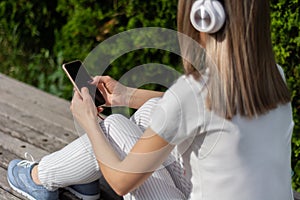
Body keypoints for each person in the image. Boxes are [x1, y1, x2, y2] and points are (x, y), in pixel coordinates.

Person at [7, 0, 294, 200]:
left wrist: (89, 123)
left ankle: (40, 178)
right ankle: (79, 180)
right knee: (151, 111)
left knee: (114, 125)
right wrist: (127, 95)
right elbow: (196, 110)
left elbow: (120, 183)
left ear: (203, 17)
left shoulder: (193, 92)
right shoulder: (271, 76)